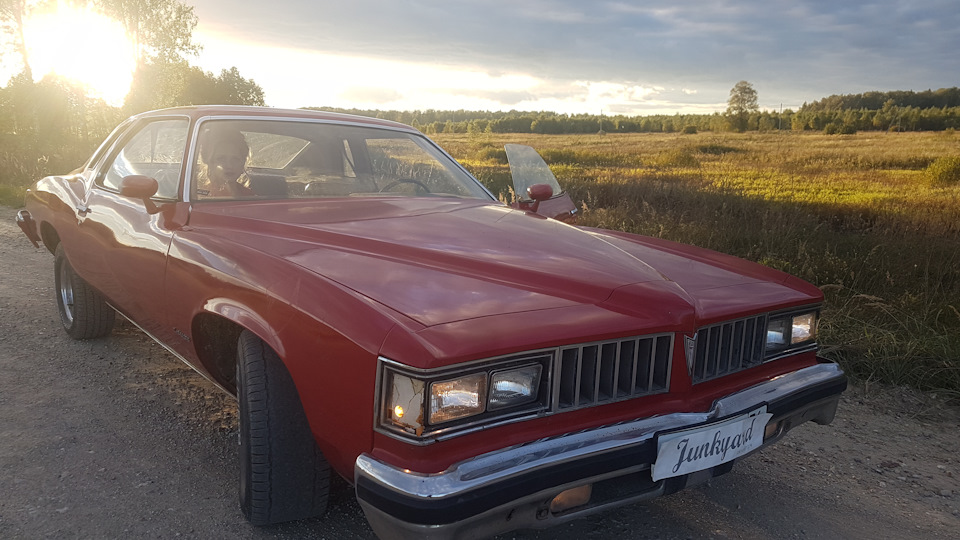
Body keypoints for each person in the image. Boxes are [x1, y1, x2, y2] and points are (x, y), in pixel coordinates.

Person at [196, 125, 256, 198]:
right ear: (210, 162)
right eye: (221, 159)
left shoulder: (249, 195)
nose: (229, 165)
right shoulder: (205, 196)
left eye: (235, 159)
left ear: (243, 163)